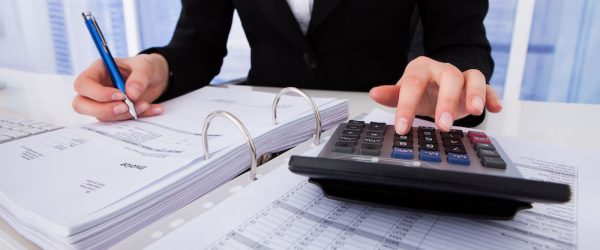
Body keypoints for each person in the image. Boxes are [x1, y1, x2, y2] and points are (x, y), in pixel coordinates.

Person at [72, 0, 502, 135]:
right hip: (256, 134)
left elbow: (461, 44)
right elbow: (198, 43)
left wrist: (454, 80)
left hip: (381, 126)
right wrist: (157, 66)